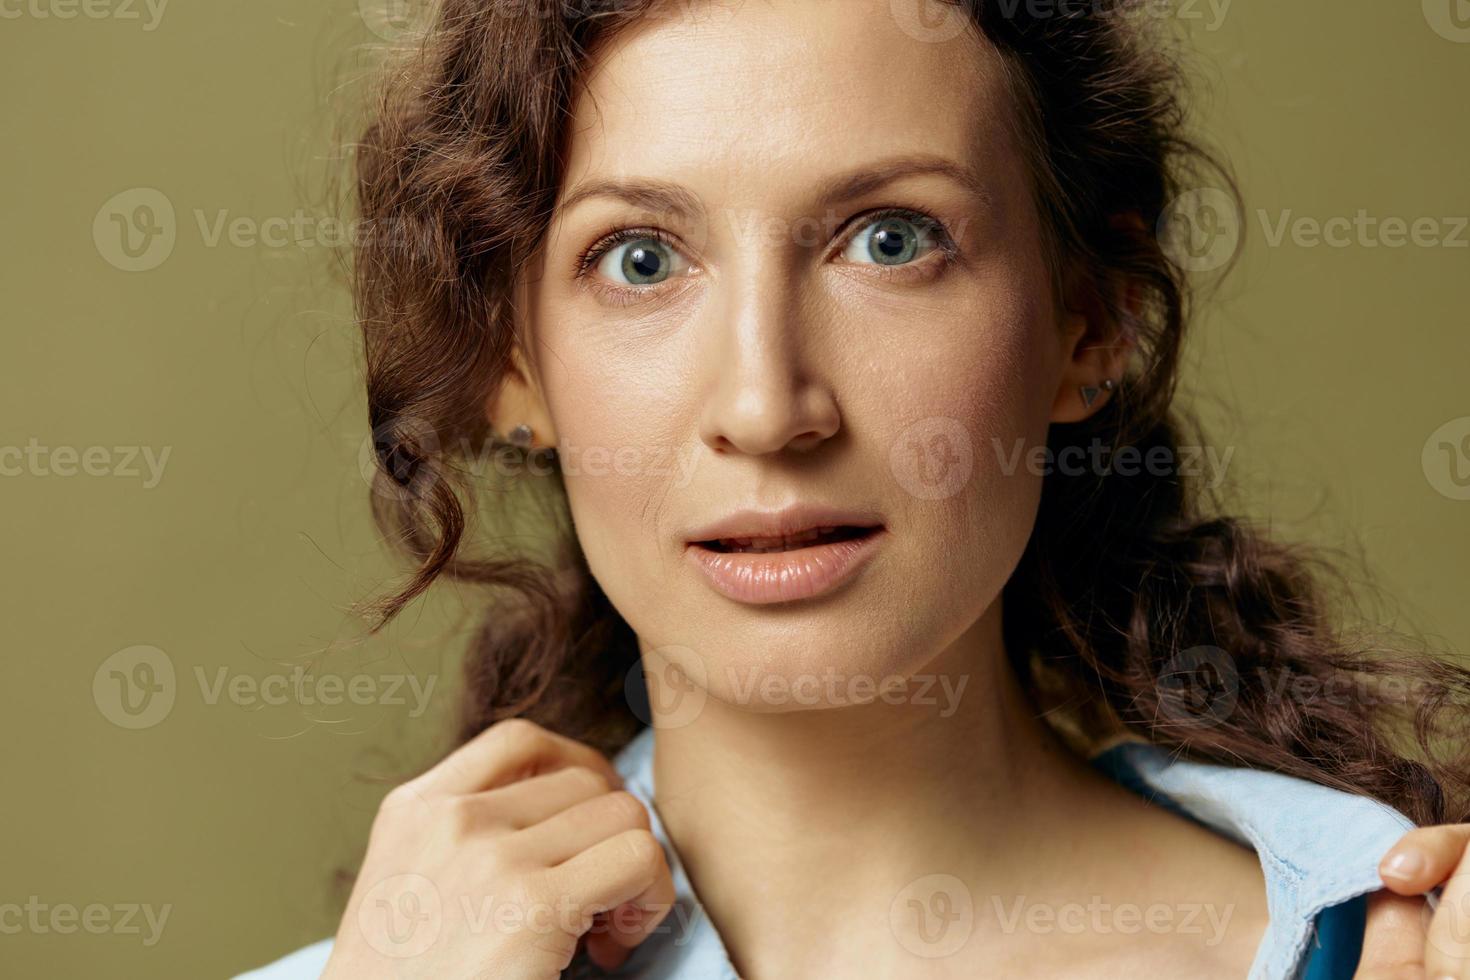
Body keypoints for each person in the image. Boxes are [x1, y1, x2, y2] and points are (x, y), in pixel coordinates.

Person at [241, 0, 1470, 976]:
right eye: (640, 258)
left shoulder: (1395, 947)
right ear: (512, 367)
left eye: (890, 238)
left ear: (1091, 318)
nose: (768, 407)